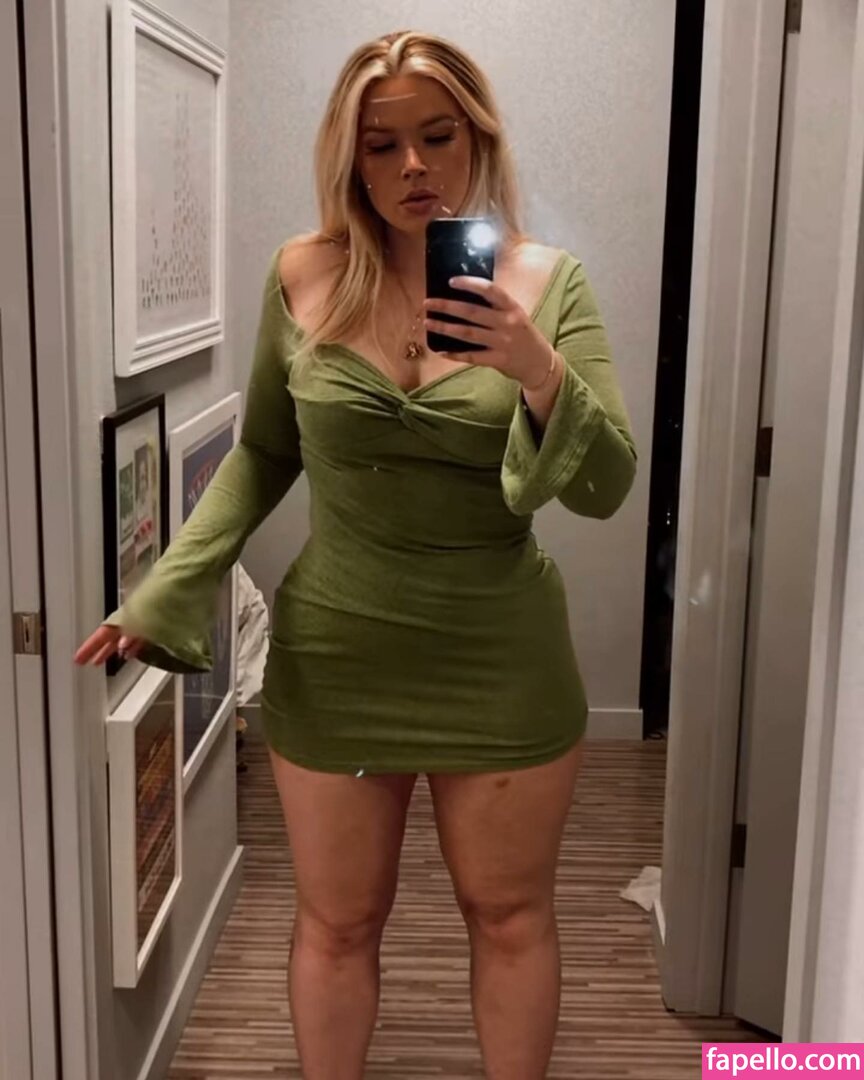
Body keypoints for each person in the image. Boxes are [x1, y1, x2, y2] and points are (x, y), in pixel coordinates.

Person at [75, 29, 636, 1080]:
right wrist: (165, 589)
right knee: (336, 923)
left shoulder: (547, 283)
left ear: (479, 139)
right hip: (337, 653)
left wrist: (538, 369)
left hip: (500, 656)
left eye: (438, 136)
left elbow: (607, 488)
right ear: (351, 158)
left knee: (510, 917)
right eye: (383, 145)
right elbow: (263, 454)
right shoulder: (304, 274)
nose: (414, 165)